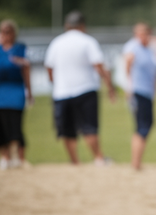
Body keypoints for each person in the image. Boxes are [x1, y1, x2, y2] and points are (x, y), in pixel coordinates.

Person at [44, 11, 116, 166]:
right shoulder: (88, 41)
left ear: (66, 26)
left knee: (67, 129)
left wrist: (55, 83)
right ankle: (98, 158)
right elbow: (98, 65)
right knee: (90, 127)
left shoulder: (57, 42)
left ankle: (74, 161)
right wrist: (110, 86)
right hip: (86, 89)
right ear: (83, 26)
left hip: (61, 92)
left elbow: (49, 68)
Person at [0, 19, 32, 170]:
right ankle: (5, 157)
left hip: (15, 92)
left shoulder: (19, 49)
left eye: (8, 31)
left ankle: (20, 158)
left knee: (15, 127)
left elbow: (26, 70)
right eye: (3, 32)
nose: (5, 35)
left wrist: (30, 91)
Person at [123, 23, 156, 170]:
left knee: (148, 124)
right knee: (141, 126)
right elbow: (127, 68)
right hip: (138, 91)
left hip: (148, 92)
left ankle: (137, 162)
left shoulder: (149, 50)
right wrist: (128, 88)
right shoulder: (133, 48)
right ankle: (135, 163)